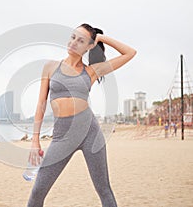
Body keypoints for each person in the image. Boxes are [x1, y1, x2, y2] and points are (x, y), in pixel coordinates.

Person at [26, 23, 137, 207]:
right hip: (62, 136)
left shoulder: (92, 71)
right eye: (73, 37)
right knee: (38, 192)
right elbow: (41, 104)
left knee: (104, 190)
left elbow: (130, 53)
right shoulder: (50, 67)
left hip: (90, 134)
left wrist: (101, 39)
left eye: (81, 40)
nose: (74, 42)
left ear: (89, 46)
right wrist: (35, 139)